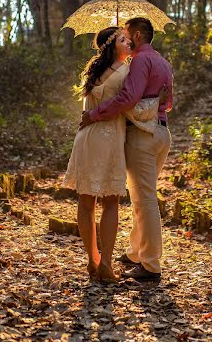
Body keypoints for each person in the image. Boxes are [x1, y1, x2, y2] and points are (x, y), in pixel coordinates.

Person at [64, 27, 167, 282]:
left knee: (86, 202)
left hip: (86, 138)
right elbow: (131, 108)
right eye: (122, 40)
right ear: (112, 46)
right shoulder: (124, 72)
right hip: (108, 140)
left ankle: (93, 260)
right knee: (110, 202)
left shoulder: (93, 72)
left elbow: (91, 108)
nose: (129, 42)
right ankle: (107, 265)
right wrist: (157, 102)